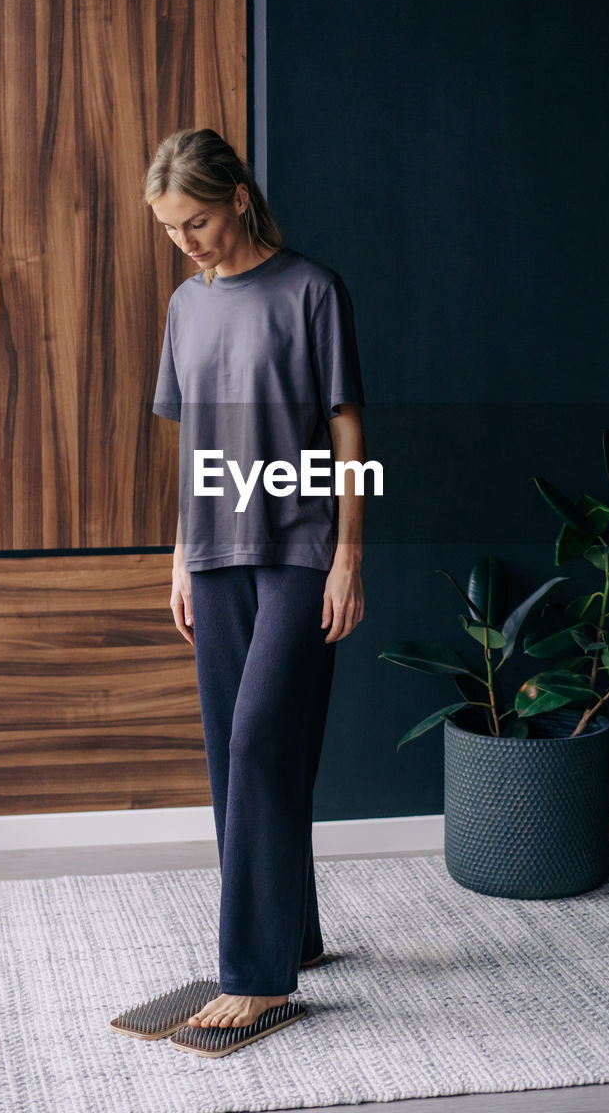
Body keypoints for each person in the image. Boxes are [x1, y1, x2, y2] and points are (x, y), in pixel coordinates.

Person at [148, 128, 367, 1042]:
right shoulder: (184, 307)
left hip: (297, 547)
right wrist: (177, 555)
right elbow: (192, 440)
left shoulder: (311, 289)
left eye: (194, 220)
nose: (185, 241)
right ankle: (296, 934)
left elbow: (347, 427)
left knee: (259, 744)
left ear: (237, 194)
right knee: (231, 760)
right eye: (168, 229)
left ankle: (256, 973)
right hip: (214, 552)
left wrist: (349, 555)